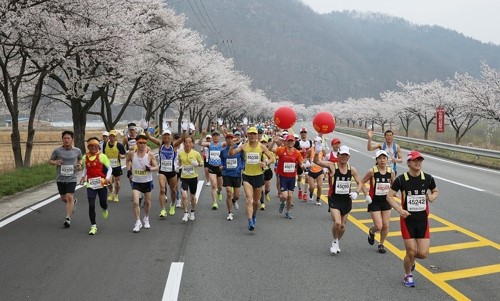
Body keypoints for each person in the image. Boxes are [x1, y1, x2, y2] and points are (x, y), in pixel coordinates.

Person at [386, 150, 439, 288]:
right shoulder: (401, 179)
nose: (418, 163)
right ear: (408, 162)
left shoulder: (428, 178)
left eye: (420, 160)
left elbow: (435, 191)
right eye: (415, 160)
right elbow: (389, 196)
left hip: (422, 220)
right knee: (410, 251)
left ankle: (411, 260)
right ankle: (407, 275)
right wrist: (399, 209)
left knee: (422, 253)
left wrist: (432, 197)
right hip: (407, 220)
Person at [313, 144, 365, 255]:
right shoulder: (332, 166)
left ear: (349, 157)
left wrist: (356, 192)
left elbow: (360, 182)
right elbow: (317, 161)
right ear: (338, 155)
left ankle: (336, 241)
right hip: (334, 199)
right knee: (337, 223)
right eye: (342, 155)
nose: (344, 157)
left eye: (346, 155)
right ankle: (335, 241)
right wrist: (317, 151)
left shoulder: (352, 169)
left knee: (342, 226)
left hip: (346, 200)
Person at [229, 126, 275, 231]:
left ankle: (254, 215)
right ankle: (250, 221)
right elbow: (231, 153)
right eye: (251, 134)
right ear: (248, 135)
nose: (253, 136)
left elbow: (272, 158)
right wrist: (232, 145)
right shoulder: (244, 146)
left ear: (257, 135)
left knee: (256, 202)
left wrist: (266, 163)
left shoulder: (261, 147)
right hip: (247, 176)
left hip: (259, 176)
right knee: (249, 199)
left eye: (255, 134)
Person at [359, 150, 395, 253]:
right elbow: (362, 182)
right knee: (379, 226)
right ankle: (372, 231)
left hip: (386, 201)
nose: (382, 160)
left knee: (386, 225)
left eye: (384, 158)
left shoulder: (391, 172)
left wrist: (394, 194)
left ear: (387, 160)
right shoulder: (372, 171)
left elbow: (394, 185)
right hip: (374, 201)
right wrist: (366, 195)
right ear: (376, 160)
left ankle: (381, 244)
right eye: (379, 158)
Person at [145, 128, 183, 218]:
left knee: (173, 190)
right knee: (162, 189)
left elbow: (183, 139)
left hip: (172, 171)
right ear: (162, 136)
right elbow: (149, 137)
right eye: (164, 135)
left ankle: (173, 204)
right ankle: (163, 209)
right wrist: (145, 129)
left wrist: (185, 131)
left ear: (170, 137)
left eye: (168, 135)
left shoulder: (174, 145)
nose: (166, 137)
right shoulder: (160, 144)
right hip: (162, 171)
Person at [49, 130, 82, 228]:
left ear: (72, 140)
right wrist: (56, 163)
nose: (66, 140)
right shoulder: (57, 151)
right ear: (62, 140)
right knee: (64, 198)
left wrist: (80, 164)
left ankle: (68, 218)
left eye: (68, 138)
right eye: (64, 138)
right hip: (60, 178)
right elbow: (50, 161)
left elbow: (80, 158)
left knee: (69, 197)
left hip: (72, 177)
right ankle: (74, 202)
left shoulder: (77, 150)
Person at [126, 133, 158, 233]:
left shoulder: (150, 154)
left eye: (144, 143)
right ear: (137, 143)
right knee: (136, 202)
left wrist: (150, 169)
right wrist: (128, 170)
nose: (142, 145)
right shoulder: (132, 154)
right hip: (136, 182)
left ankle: (146, 218)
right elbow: (127, 161)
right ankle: (138, 221)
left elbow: (157, 167)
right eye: (140, 143)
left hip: (147, 181)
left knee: (147, 202)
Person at [79, 137, 112, 235]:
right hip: (90, 184)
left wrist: (107, 177)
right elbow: (86, 168)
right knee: (91, 204)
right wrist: (82, 176)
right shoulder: (85, 157)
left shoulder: (102, 156)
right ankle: (93, 226)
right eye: (91, 146)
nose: (93, 148)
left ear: (98, 146)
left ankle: (104, 208)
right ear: (88, 147)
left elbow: (110, 169)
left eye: (95, 146)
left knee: (103, 202)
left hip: (101, 183)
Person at [274, 134, 305, 219]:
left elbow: (300, 162)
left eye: (292, 141)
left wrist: (302, 166)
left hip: (292, 177)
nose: (291, 142)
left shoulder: (297, 152)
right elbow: (271, 151)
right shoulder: (281, 150)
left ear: (294, 142)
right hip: (283, 176)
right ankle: (283, 203)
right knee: (284, 196)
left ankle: (288, 212)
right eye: (289, 141)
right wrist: (273, 142)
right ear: (286, 142)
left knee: (290, 196)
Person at [178, 136, 204, 222]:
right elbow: (179, 163)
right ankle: (185, 213)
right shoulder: (180, 153)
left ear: (192, 144)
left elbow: (201, 163)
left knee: (193, 197)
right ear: (184, 143)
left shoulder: (196, 153)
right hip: (184, 177)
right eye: (186, 142)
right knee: (184, 195)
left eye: (190, 142)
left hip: (193, 178)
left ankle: (192, 211)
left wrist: (197, 164)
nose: (188, 144)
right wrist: (178, 167)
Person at [220, 133, 245, 221]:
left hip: (236, 174)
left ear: (233, 140)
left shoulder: (238, 150)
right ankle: (230, 213)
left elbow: (243, 160)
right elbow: (222, 161)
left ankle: (234, 201)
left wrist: (242, 167)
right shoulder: (223, 151)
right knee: (228, 192)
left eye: (231, 139)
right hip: (226, 174)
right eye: (228, 139)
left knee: (237, 195)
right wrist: (221, 165)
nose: (229, 140)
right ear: (226, 140)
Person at [198, 130, 225, 210]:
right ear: (212, 137)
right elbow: (200, 143)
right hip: (212, 167)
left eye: (217, 136)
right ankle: (214, 203)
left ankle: (219, 192)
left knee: (220, 187)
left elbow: (229, 141)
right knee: (214, 185)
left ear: (219, 137)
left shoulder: (222, 144)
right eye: (214, 136)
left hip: (219, 168)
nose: (216, 137)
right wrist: (202, 135)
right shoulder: (210, 144)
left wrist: (224, 132)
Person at [103, 130, 126, 202]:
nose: (112, 137)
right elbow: (103, 154)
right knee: (108, 181)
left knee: (117, 183)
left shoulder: (119, 145)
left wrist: (121, 156)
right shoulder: (105, 144)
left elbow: (124, 155)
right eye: (110, 136)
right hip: (108, 166)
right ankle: (111, 192)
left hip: (116, 166)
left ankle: (116, 194)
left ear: (115, 137)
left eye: (113, 136)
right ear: (109, 137)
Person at [307, 137, 326, 206]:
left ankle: (318, 199)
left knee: (319, 186)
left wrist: (325, 168)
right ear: (314, 142)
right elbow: (305, 157)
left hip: (319, 171)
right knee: (312, 187)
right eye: (316, 142)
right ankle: (311, 193)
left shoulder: (323, 150)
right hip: (311, 171)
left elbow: (326, 158)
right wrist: (307, 163)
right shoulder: (310, 150)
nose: (317, 143)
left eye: (319, 142)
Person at [296, 127, 312, 201]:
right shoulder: (298, 142)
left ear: (306, 133)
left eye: (305, 132)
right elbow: (294, 151)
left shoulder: (310, 142)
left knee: (307, 178)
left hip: (307, 162)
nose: (303, 134)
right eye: (302, 133)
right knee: (299, 177)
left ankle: (305, 193)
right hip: (300, 161)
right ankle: (300, 190)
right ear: (300, 134)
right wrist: (300, 151)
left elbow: (312, 152)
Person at [259, 135, 274, 210]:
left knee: (267, 188)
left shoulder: (268, 152)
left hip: (267, 171)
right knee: (261, 188)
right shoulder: (257, 151)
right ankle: (262, 203)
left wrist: (267, 162)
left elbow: (272, 159)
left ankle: (266, 194)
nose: (263, 144)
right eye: (262, 142)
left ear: (267, 144)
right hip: (259, 171)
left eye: (264, 142)